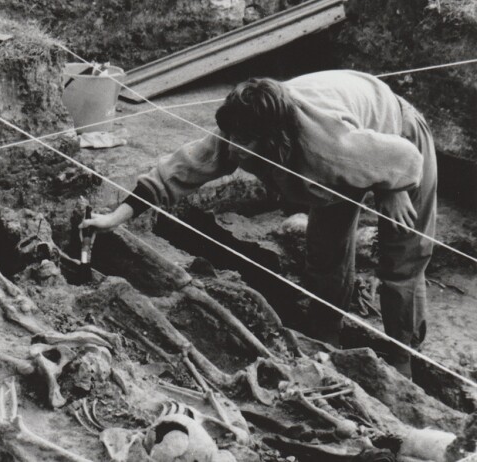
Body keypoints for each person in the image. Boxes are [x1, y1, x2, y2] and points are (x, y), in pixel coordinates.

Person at [82, 70, 435, 377]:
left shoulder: (329, 149)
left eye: (245, 141)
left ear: (275, 140)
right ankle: (326, 337)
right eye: (231, 136)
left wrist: (395, 185)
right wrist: (116, 217)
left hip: (397, 137)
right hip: (347, 144)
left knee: (402, 258)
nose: (234, 148)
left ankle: (403, 359)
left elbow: (403, 155)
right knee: (325, 253)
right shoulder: (242, 127)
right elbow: (177, 171)